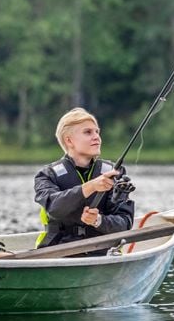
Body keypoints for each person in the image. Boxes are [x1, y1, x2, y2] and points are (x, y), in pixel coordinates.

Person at [34, 107, 135, 251]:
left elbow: (125, 223)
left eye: (97, 132)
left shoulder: (115, 173)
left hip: (102, 253)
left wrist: (98, 221)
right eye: (88, 132)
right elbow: (54, 208)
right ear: (69, 141)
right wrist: (91, 186)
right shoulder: (46, 175)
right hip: (58, 252)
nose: (96, 137)